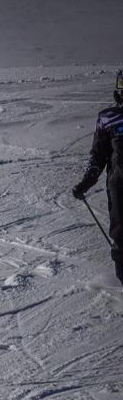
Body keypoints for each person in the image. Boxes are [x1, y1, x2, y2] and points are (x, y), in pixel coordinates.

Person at [71, 69, 123, 285]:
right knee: (121, 236)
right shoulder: (108, 118)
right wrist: (87, 181)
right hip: (120, 188)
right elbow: (99, 155)